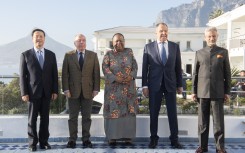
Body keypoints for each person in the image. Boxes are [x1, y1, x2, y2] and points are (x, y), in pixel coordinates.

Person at [142, 22, 183, 149]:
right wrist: (144, 86)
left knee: (172, 114)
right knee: (153, 114)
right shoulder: (148, 47)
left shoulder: (174, 47)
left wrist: (180, 84)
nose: (164, 33)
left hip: (171, 84)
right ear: (156, 33)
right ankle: (153, 139)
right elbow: (144, 69)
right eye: (161, 31)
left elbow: (178, 67)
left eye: (165, 31)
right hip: (154, 85)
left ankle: (174, 140)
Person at [192, 27, 231, 153]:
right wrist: (193, 91)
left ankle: (220, 147)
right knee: (202, 122)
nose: (211, 38)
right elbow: (195, 74)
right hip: (202, 92)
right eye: (209, 36)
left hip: (218, 92)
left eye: (213, 36)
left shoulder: (223, 52)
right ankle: (202, 147)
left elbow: (227, 73)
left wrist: (227, 92)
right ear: (205, 37)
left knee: (218, 122)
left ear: (217, 36)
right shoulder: (199, 53)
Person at [19, 28, 58, 152]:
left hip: (47, 92)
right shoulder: (25, 55)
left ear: (44, 39)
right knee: (32, 119)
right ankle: (32, 143)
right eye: (36, 36)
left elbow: (54, 75)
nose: (39, 38)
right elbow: (22, 76)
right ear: (32, 39)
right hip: (31, 93)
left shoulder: (51, 55)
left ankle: (44, 142)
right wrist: (24, 92)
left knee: (45, 119)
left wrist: (55, 91)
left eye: (41, 36)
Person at [62, 34, 100, 148]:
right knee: (72, 117)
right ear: (75, 43)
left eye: (84, 40)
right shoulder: (68, 55)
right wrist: (66, 89)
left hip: (88, 91)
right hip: (72, 91)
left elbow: (96, 74)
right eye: (79, 40)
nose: (82, 42)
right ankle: (72, 140)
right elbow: (64, 74)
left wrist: (96, 89)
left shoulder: (93, 55)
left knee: (87, 117)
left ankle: (86, 139)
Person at [102, 33, 138, 145]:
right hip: (113, 90)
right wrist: (115, 78)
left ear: (124, 41)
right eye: (116, 41)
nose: (119, 43)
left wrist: (131, 76)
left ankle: (128, 137)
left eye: (121, 40)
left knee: (128, 112)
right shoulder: (108, 54)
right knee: (113, 112)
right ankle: (112, 137)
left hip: (128, 89)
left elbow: (135, 66)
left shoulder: (129, 52)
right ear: (112, 43)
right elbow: (105, 68)